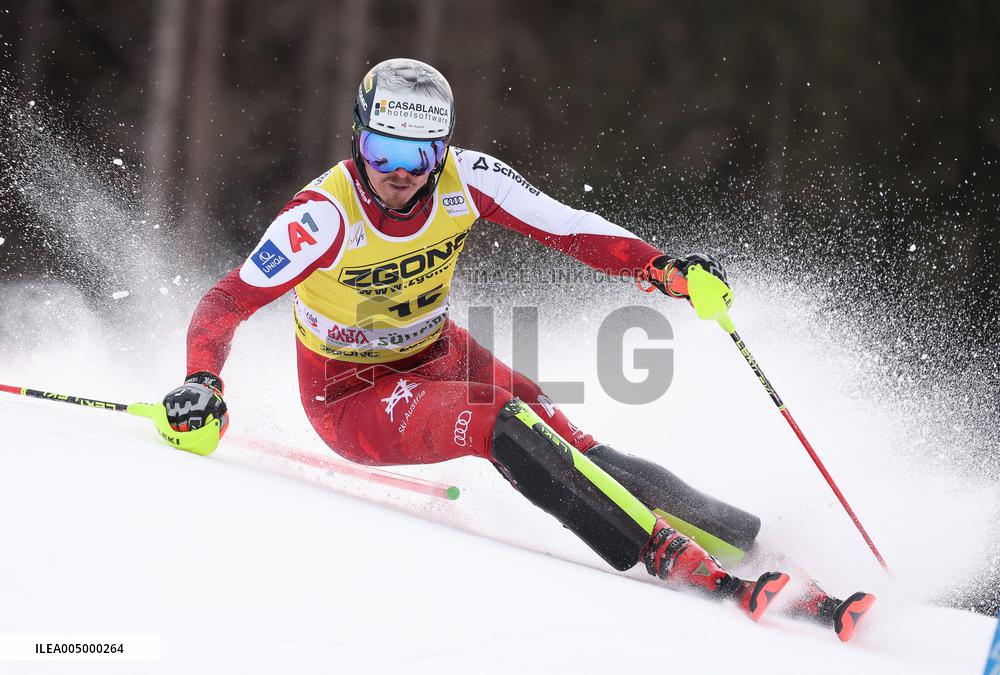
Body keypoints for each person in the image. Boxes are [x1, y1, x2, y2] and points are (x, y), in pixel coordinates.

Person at [162, 58, 873, 637]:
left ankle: (750, 546)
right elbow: (226, 302)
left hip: (434, 349)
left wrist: (660, 268)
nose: (400, 172)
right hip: (351, 396)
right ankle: (674, 559)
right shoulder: (322, 217)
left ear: (441, 149)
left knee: (565, 435)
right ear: (357, 140)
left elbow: (566, 226)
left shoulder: (465, 180)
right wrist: (203, 380)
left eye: (418, 154)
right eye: (383, 151)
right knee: (503, 419)